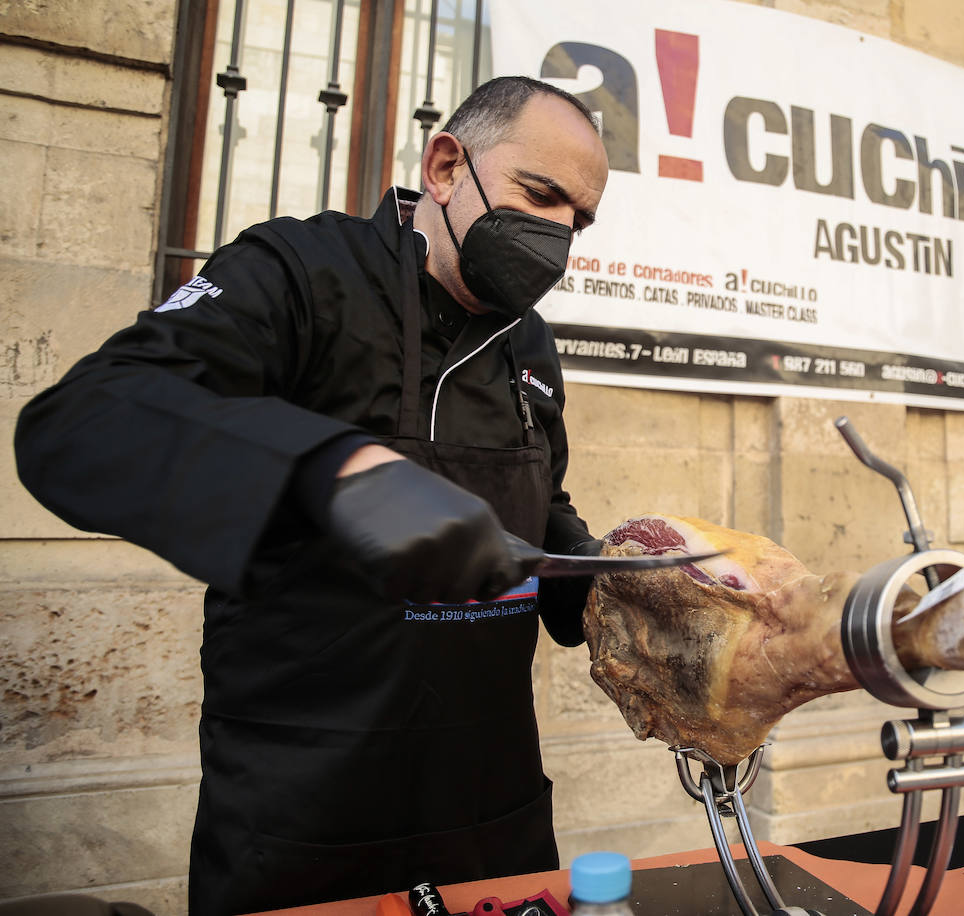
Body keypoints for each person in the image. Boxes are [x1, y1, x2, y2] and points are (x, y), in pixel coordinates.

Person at [13, 76, 610, 915]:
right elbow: (83, 417)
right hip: (305, 811)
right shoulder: (300, 271)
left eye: (577, 220)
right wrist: (334, 472)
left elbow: (542, 504)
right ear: (446, 165)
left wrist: (599, 569)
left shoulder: (531, 345)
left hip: (490, 811)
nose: (556, 233)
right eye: (540, 194)